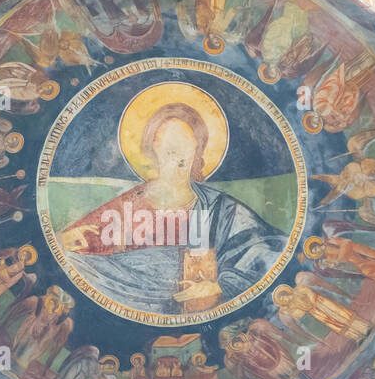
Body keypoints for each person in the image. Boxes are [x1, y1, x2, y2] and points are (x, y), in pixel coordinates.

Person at [59, 100, 286, 316]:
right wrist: (64, 241)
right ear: (152, 150)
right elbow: (79, 244)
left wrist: (219, 287)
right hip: (125, 297)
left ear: (197, 150)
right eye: (169, 149)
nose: (178, 159)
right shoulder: (127, 203)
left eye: (185, 148)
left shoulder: (220, 207)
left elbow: (267, 249)